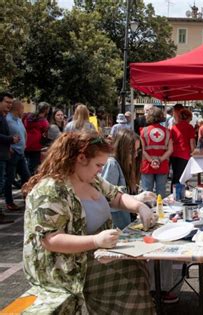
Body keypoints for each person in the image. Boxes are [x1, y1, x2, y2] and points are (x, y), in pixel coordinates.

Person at [22, 131, 156, 314]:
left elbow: (115, 196)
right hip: (69, 269)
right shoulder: (50, 191)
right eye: (98, 165)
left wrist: (138, 206)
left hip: (94, 258)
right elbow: (51, 240)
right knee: (130, 286)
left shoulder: (90, 179)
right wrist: (95, 241)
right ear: (81, 158)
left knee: (135, 274)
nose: (101, 169)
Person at [102, 129, 151, 229]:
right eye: (132, 151)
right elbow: (107, 199)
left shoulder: (127, 165)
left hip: (126, 222)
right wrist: (137, 199)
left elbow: (129, 190)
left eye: (137, 150)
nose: (136, 155)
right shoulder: (112, 164)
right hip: (115, 225)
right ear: (122, 149)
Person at [140, 107, 173, 198]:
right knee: (161, 191)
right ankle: (160, 211)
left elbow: (142, 150)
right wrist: (159, 160)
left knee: (147, 192)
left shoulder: (143, 131)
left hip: (147, 164)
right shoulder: (167, 132)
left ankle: (148, 210)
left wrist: (151, 161)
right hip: (162, 164)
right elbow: (170, 150)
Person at [5, 100, 30, 211]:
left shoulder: (18, 120)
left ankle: (27, 199)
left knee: (26, 177)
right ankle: (9, 202)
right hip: (13, 153)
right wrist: (8, 147)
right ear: (17, 109)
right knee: (9, 179)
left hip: (21, 153)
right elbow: (5, 135)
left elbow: (23, 133)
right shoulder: (8, 120)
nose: (23, 111)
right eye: (22, 109)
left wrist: (24, 144)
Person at [0, 92, 19, 224]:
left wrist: (9, 146)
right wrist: (10, 139)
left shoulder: (3, 116)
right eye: (7, 102)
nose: (9, 105)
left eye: (11, 103)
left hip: (4, 154)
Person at [170, 108, 195, 188]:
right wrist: (193, 152)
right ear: (188, 117)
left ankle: (173, 193)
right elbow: (192, 142)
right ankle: (180, 195)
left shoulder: (174, 127)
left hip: (174, 154)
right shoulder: (190, 127)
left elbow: (171, 141)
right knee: (182, 177)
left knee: (175, 175)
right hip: (184, 154)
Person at [24, 101, 50, 175]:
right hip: (36, 145)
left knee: (26, 163)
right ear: (45, 110)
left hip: (27, 142)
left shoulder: (29, 117)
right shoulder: (43, 120)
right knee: (33, 165)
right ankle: (28, 180)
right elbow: (46, 130)